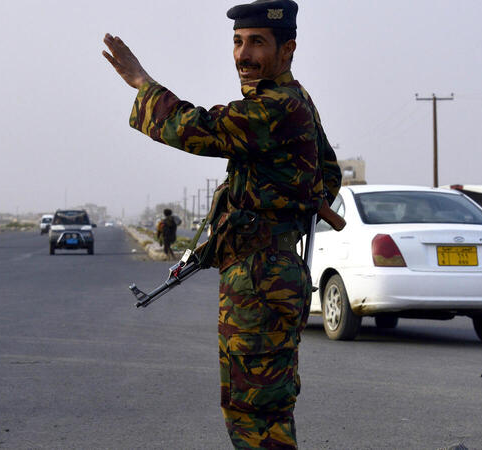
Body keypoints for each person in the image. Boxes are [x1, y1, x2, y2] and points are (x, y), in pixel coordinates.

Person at [102, 0, 341, 447]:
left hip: (262, 279)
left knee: (256, 417)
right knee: (251, 408)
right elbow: (328, 174)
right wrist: (279, 207)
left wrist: (143, 84)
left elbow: (197, 128)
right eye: (237, 42)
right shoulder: (295, 100)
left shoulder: (276, 107)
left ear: (287, 50)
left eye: (257, 43)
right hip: (261, 271)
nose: (243, 55)